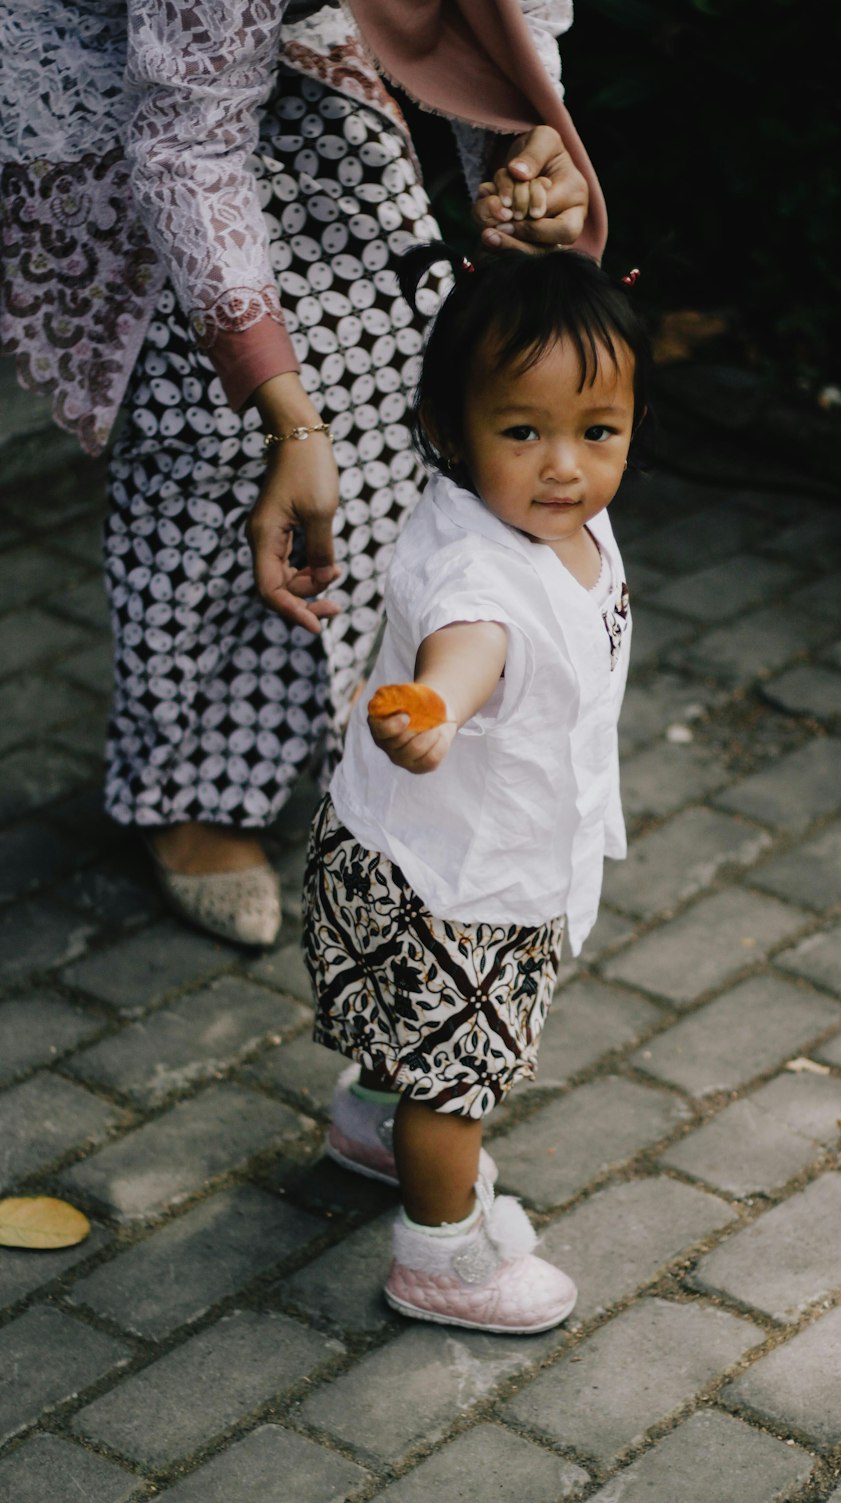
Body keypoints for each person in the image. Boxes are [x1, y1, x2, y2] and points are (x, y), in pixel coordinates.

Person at [0, 1, 606, 945]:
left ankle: (333, 716)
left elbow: (508, 18)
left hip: (306, 41)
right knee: (206, 419)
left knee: (392, 341)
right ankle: (186, 791)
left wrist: (526, 152)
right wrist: (290, 422)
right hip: (142, 70)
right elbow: (189, 141)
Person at [302, 243, 650, 1333]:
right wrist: (435, 711)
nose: (564, 467)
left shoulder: (550, 521)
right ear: (453, 431)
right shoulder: (478, 572)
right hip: (461, 886)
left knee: (403, 1030)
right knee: (457, 1084)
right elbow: (466, 651)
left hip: (407, 846)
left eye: (597, 432)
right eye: (522, 433)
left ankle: (366, 1116)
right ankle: (439, 1257)